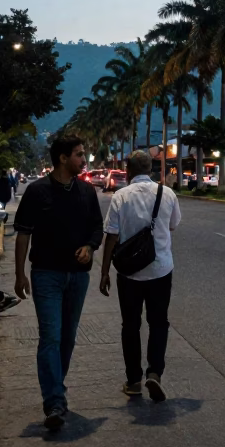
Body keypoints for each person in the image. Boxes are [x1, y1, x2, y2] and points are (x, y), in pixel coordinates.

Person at [14, 134, 103, 433]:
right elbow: (23, 234)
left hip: (78, 276)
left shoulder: (87, 192)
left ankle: (57, 390)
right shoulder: (37, 192)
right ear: (63, 158)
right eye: (79, 154)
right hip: (46, 274)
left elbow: (97, 228)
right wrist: (19, 274)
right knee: (50, 336)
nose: (83, 159)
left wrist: (90, 247)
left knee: (68, 338)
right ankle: (53, 400)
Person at [99, 149, 181, 404]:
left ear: (129, 170)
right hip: (160, 270)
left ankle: (133, 381)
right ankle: (154, 372)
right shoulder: (167, 193)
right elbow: (173, 225)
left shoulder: (121, 196)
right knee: (159, 323)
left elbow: (111, 236)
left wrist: (104, 272)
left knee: (130, 326)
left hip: (129, 274)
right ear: (151, 170)